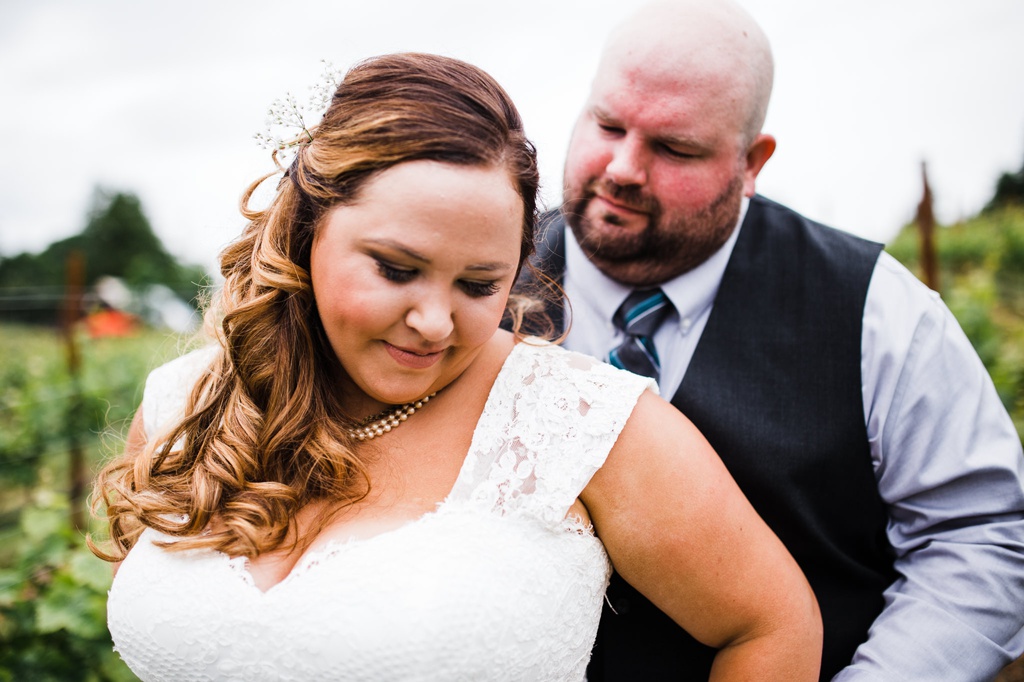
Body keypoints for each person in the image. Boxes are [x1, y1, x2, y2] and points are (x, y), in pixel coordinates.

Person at [89, 52, 822, 681]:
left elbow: (772, 626)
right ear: (308, 228)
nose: (436, 323)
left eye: (479, 285)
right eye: (396, 268)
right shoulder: (186, 404)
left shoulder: (584, 424)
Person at [522, 1, 1024, 680]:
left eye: (674, 147)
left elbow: (978, 534)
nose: (622, 168)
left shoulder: (874, 307)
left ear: (751, 161)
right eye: (607, 124)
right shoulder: (479, 288)